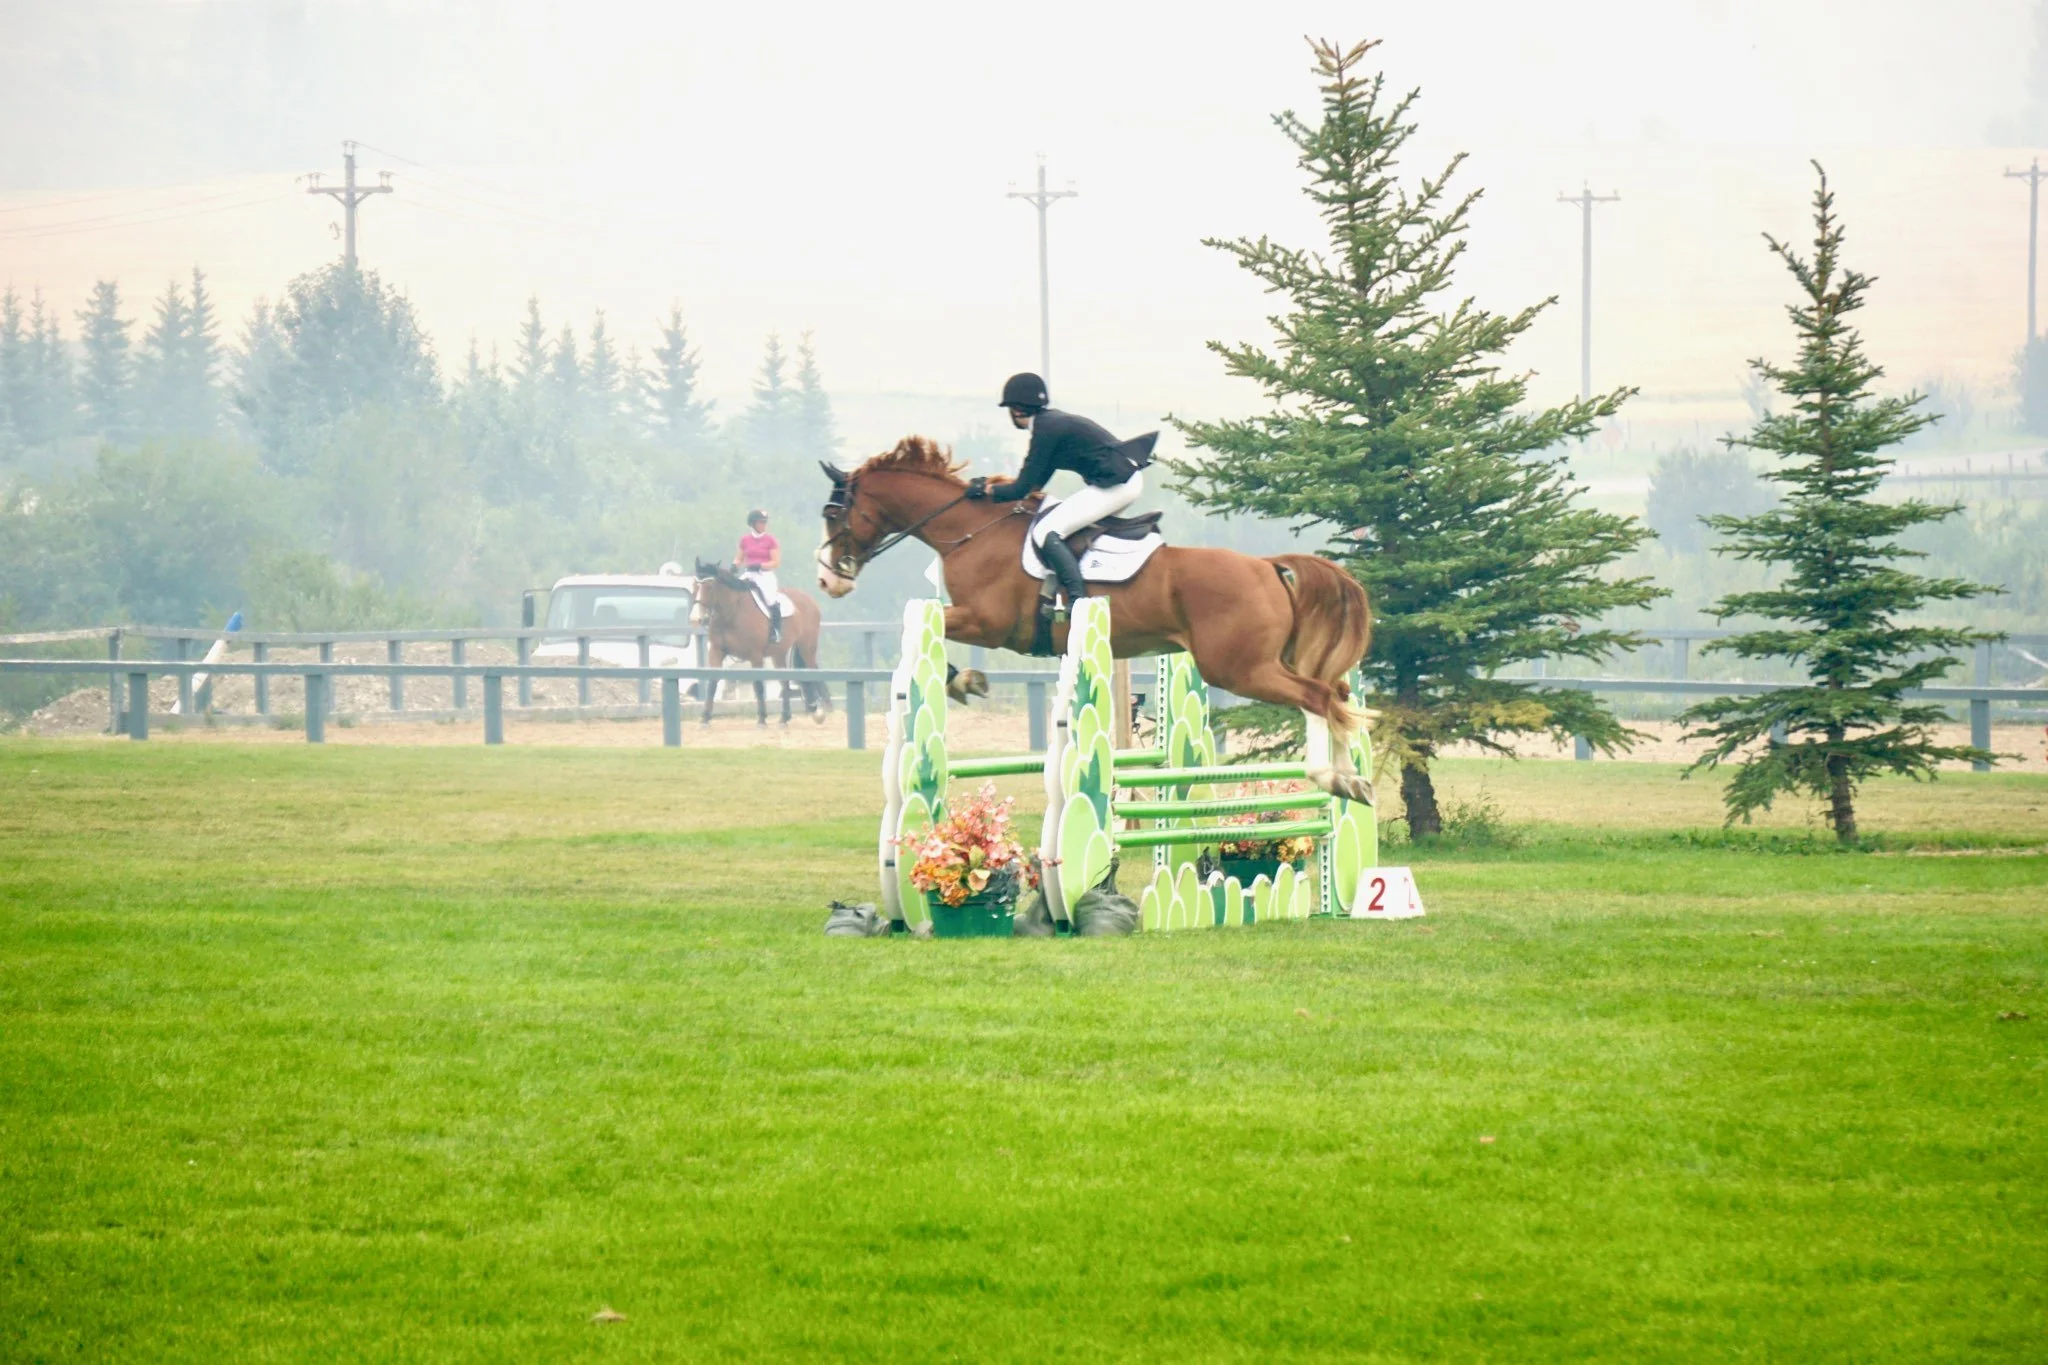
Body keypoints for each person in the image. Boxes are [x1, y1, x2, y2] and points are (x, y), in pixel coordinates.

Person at [964, 372, 1156, 605]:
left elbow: (1021, 489)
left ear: (1016, 409)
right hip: (1123, 481)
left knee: (1046, 531)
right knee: (1066, 529)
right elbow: (1034, 485)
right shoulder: (1051, 423)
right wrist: (993, 487)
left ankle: (1078, 602)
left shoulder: (1045, 430)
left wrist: (987, 490)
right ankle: (1061, 592)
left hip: (1119, 485)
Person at [737, 509, 783, 643]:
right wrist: (735, 565)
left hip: (765, 575)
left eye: (764, 522)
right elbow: (739, 559)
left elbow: (776, 562)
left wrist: (760, 565)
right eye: (760, 522)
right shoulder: (745, 540)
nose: (763, 525)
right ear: (752, 523)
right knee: (733, 593)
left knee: (770, 600)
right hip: (749, 574)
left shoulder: (771, 540)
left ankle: (776, 630)